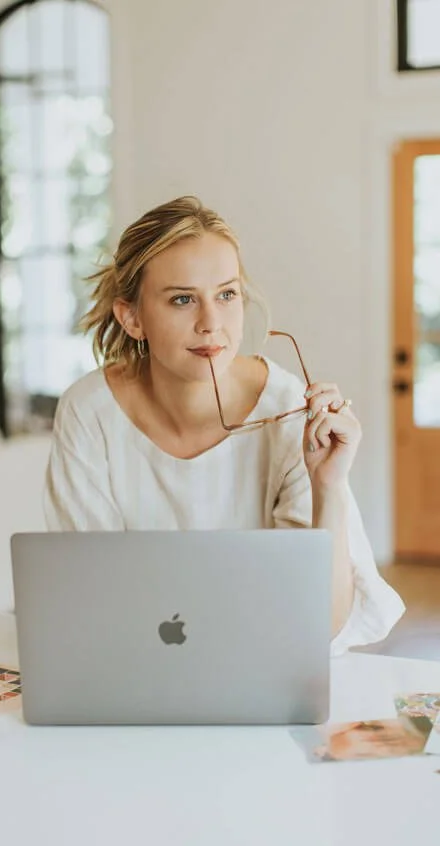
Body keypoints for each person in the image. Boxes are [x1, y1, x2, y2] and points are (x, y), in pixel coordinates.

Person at [43, 196, 405, 655]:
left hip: (264, 657)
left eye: (227, 294)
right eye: (182, 300)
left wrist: (329, 486)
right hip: (134, 658)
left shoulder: (287, 406)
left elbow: (324, 627)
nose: (211, 324)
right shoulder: (89, 411)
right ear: (132, 318)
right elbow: (89, 591)